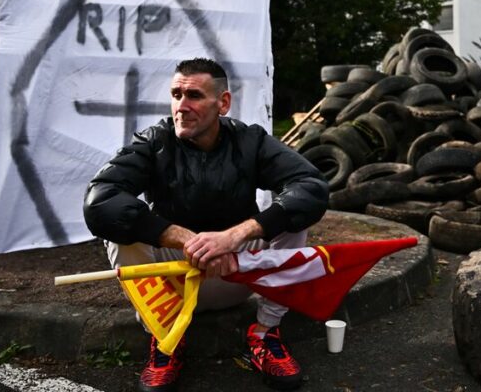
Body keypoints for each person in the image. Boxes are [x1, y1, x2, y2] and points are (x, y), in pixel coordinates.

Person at [84, 57, 328, 392]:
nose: (181, 107)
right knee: (119, 228)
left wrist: (234, 236)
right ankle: (166, 337)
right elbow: (100, 199)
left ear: (223, 103)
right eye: (175, 94)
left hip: (235, 272)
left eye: (194, 96)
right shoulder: (154, 141)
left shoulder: (251, 141)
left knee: (293, 218)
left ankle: (265, 332)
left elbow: (312, 187)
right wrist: (188, 240)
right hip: (175, 280)